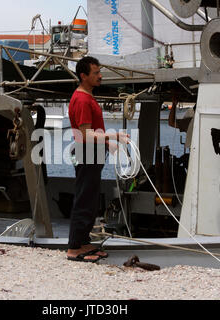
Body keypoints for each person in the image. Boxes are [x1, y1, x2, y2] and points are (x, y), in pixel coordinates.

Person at [67, 56, 129, 263]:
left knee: (90, 199)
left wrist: (107, 145)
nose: (100, 75)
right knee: (84, 200)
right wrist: (114, 136)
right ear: (83, 76)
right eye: (95, 73)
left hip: (92, 153)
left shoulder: (87, 97)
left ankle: (83, 242)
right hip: (86, 154)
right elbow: (85, 134)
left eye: (99, 71)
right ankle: (74, 248)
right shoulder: (83, 100)